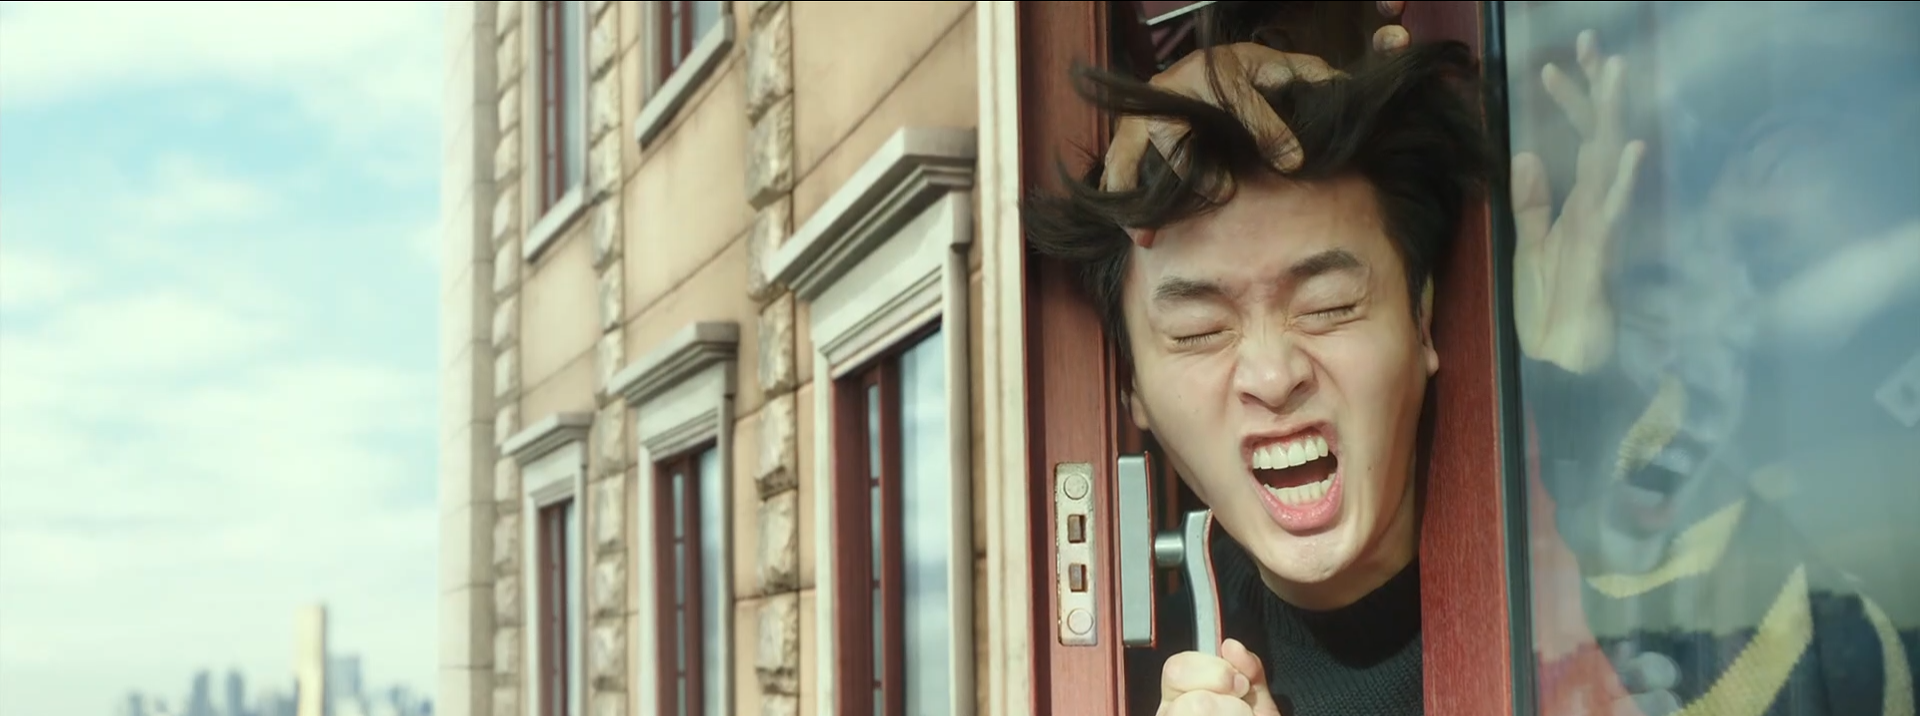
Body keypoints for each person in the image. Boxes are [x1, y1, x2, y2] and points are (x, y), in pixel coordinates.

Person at [1023, 5, 1489, 713]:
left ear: (1421, 320)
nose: (1273, 378)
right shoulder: (1126, 678)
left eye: (1328, 305)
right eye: (1199, 331)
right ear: (1133, 389)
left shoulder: (1552, 563)